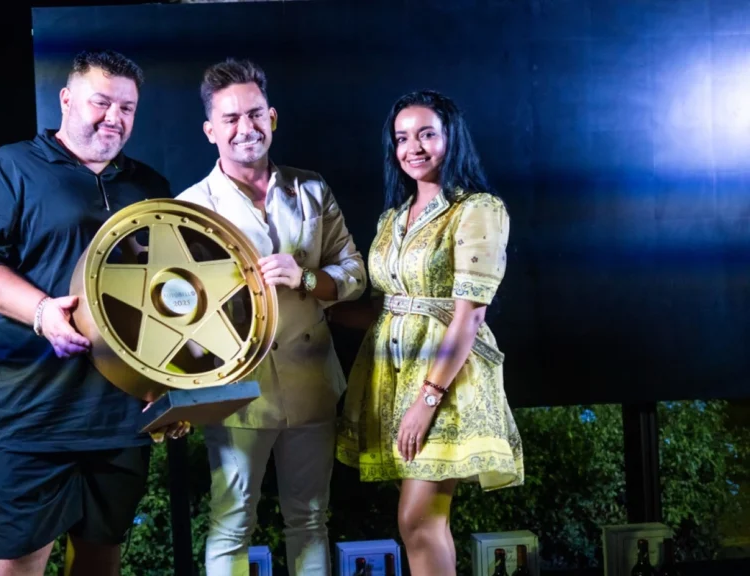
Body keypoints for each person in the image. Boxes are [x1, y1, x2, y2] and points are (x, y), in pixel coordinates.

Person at [0, 49, 189, 576]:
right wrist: (42, 313)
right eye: (101, 102)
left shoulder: (150, 187)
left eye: (127, 107)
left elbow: (166, 293)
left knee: (101, 558)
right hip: (31, 413)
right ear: (65, 100)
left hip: (119, 415)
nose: (114, 117)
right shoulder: (10, 169)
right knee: (18, 562)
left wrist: (166, 382)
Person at [176, 58, 366, 576]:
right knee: (231, 522)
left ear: (273, 117)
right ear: (210, 131)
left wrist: (306, 278)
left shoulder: (312, 189)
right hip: (237, 391)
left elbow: (354, 272)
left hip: (311, 381)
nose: (246, 128)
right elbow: (178, 313)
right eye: (231, 118)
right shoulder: (189, 208)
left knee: (310, 519)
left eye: (255, 114)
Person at [334, 90, 524, 576]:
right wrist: (312, 305)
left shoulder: (477, 209)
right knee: (421, 523)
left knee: (418, 520)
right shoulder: (393, 218)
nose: (412, 147)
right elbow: (384, 309)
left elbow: (469, 316)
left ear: (451, 138)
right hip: (394, 380)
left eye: (426, 134)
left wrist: (428, 398)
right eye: (401, 138)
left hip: (447, 381)